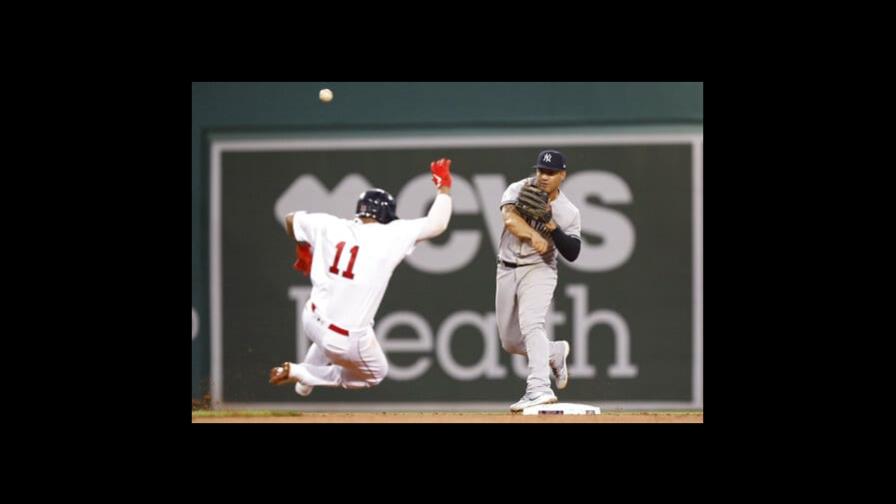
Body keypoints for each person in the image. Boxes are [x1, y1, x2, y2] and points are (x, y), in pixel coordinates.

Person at [269, 158, 454, 396]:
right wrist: (444, 187)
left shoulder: (328, 225)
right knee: (374, 374)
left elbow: (291, 219)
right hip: (342, 339)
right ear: (387, 216)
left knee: (333, 331)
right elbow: (437, 224)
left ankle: (304, 381)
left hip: (311, 318)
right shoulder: (391, 234)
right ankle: (302, 372)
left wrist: (303, 247)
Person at [496, 149, 582, 412]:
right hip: (506, 267)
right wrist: (534, 236)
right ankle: (554, 353)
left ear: (562, 175)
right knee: (509, 341)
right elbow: (509, 218)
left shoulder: (568, 211)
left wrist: (551, 225)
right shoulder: (519, 189)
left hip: (540, 269)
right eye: (541, 171)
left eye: (551, 172)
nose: (544, 176)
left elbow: (573, 252)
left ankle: (539, 388)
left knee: (532, 323)